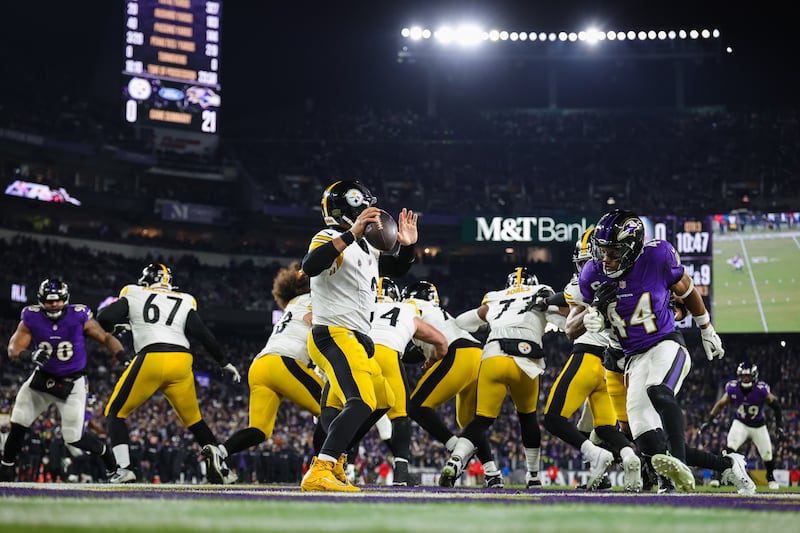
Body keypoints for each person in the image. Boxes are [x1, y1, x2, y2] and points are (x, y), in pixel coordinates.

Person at [579, 209, 730, 492]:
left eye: (614, 252)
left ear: (633, 248)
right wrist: (593, 314)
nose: (606, 259)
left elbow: (686, 290)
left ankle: (681, 467)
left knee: (658, 390)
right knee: (643, 433)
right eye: (603, 251)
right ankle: (684, 480)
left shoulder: (657, 256)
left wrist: (706, 328)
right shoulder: (592, 274)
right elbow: (578, 320)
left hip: (664, 342)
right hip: (631, 359)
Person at [300, 180, 418, 492]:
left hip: (356, 337)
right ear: (354, 207)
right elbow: (310, 266)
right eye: (366, 206)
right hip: (333, 333)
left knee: (383, 399)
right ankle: (321, 468)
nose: (374, 213)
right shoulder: (328, 236)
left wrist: (407, 246)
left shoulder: (368, 248)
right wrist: (350, 234)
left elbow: (399, 268)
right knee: (362, 400)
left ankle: (336, 460)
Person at [96, 263, 242, 483]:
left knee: (115, 412)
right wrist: (223, 361)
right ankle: (221, 468)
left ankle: (124, 468)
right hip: (182, 361)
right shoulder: (184, 300)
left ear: (145, 280)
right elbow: (202, 333)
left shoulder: (134, 293)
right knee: (195, 421)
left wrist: (116, 326)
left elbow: (105, 317)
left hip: (152, 356)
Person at [202, 261, 325, 485]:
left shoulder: (293, 303)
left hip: (260, 365)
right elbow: (315, 324)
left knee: (259, 430)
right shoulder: (313, 299)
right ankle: (323, 470)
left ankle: (220, 451)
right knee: (331, 409)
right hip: (283, 362)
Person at [439, 267, 562, 489]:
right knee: (528, 418)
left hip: (493, 356)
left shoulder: (495, 298)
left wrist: (488, 320)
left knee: (482, 419)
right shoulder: (542, 291)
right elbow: (561, 315)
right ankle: (533, 477)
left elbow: (462, 322)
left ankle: (455, 461)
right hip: (526, 357)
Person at [544, 229, 643, 492]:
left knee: (553, 418)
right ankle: (629, 457)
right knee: (605, 428)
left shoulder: (585, 283)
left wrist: (543, 301)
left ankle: (597, 457)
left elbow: (569, 327)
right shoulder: (631, 282)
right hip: (614, 364)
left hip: (588, 355)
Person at [1, 278, 124, 482]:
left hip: (72, 381)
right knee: (19, 421)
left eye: (58, 300)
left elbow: (105, 337)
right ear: (41, 301)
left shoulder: (79, 316)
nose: (54, 305)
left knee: (73, 437)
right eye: (50, 301)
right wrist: (29, 356)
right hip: (43, 378)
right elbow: (13, 349)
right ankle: (6, 468)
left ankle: (110, 461)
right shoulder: (31, 317)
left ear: (65, 299)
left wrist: (123, 357)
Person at [402, 280, 504, 487]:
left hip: (459, 354)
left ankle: (457, 449)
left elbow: (407, 348)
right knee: (469, 424)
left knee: (416, 406)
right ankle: (492, 473)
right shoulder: (437, 312)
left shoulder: (409, 306)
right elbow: (414, 353)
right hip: (478, 353)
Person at [367, 276, 447, 485]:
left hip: (358, 354)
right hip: (388, 354)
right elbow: (438, 339)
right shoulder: (406, 309)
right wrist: (432, 356)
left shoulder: (361, 303)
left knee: (351, 410)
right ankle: (401, 473)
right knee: (400, 414)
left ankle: (335, 461)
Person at [700, 361, 783, 490]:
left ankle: (771, 478)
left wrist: (780, 425)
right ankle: (718, 477)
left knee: (767, 453)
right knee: (729, 449)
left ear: (754, 376)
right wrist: (709, 420)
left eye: (748, 376)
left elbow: (776, 406)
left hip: (758, 425)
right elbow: (721, 404)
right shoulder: (733, 387)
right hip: (741, 423)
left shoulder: (761, 389)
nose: (745, 378)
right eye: (743, 376)